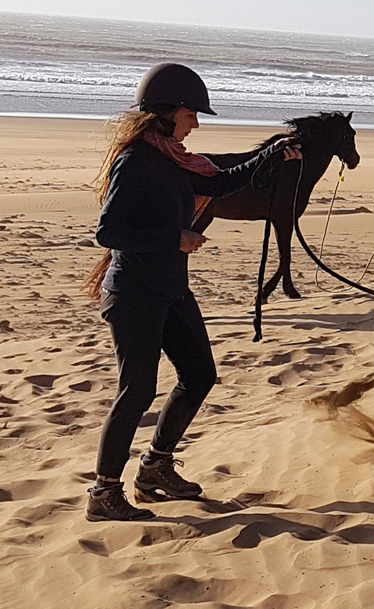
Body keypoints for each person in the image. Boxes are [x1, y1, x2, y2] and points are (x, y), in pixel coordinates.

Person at [80, 62, 302, 521]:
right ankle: (103, 493)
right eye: (191, 114)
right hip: (135, 293)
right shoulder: (136, 162)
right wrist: (174, 240)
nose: (196, 123)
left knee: (199, 375)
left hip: (171, 289)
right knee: (137, 391)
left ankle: (156, 467)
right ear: (165, 112)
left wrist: (274, 156)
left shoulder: (177, 160)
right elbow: (108, 232)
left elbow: (221, 182)